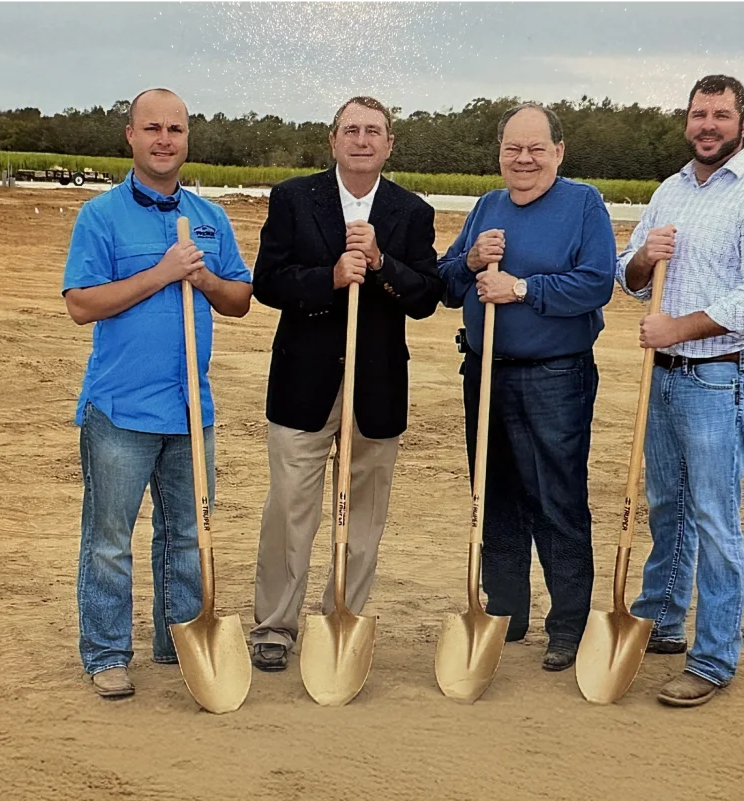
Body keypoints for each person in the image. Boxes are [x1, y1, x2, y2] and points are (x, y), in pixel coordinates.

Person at [62, 87, 253, 699]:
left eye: (175, 129)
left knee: (189, 535)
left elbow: (240, 301)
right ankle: (106, 654)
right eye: (153, 128)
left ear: (187, 138)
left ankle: (179, 642)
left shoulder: (210, 218)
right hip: (120, 410)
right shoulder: (100, 216)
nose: (164, 139)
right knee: (110, 541)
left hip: (192, 409)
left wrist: (204, 277)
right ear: (131, 136)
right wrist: (163, 273)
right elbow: (82, 304)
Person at [245, 96, 446, 672]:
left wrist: (382, 263)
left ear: (389, 145)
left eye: (374, 131)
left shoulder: (412, 212)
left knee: (364, 515)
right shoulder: (292, 198)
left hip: (377, 390)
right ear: (333, 140)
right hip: (302, 385)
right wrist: (331, 277)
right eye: (351, 130)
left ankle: (343, 618)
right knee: (289, 508)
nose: (362, 140)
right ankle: (275, 626)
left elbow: (427, 297)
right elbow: (269, 283)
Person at [619, 74, 744, 708]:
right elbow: (632, 279)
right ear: (686, 121)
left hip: (723, 377)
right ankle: (662, 621)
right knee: (668, 506)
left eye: (722, 115)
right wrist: (644, 257)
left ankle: (715, 658)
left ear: (743, 125)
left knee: (716, 520)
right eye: (699, 113)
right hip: (665, 376)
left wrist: (677, 327)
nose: (708, 125)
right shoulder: (669, 191)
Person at [437, 102, 617, 672]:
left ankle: (568, 624)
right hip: (486, 368)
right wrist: (470, 259)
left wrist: (520, 289)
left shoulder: (584, 203)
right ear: (499, 154)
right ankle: (506, 610)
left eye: (536, 148)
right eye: (513, 148)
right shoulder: (487, 207)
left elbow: (594, 285)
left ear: (558, 153)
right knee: (494, 497)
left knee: (556, 499)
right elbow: (445, 284)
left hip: (554, 377)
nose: (524, 158)